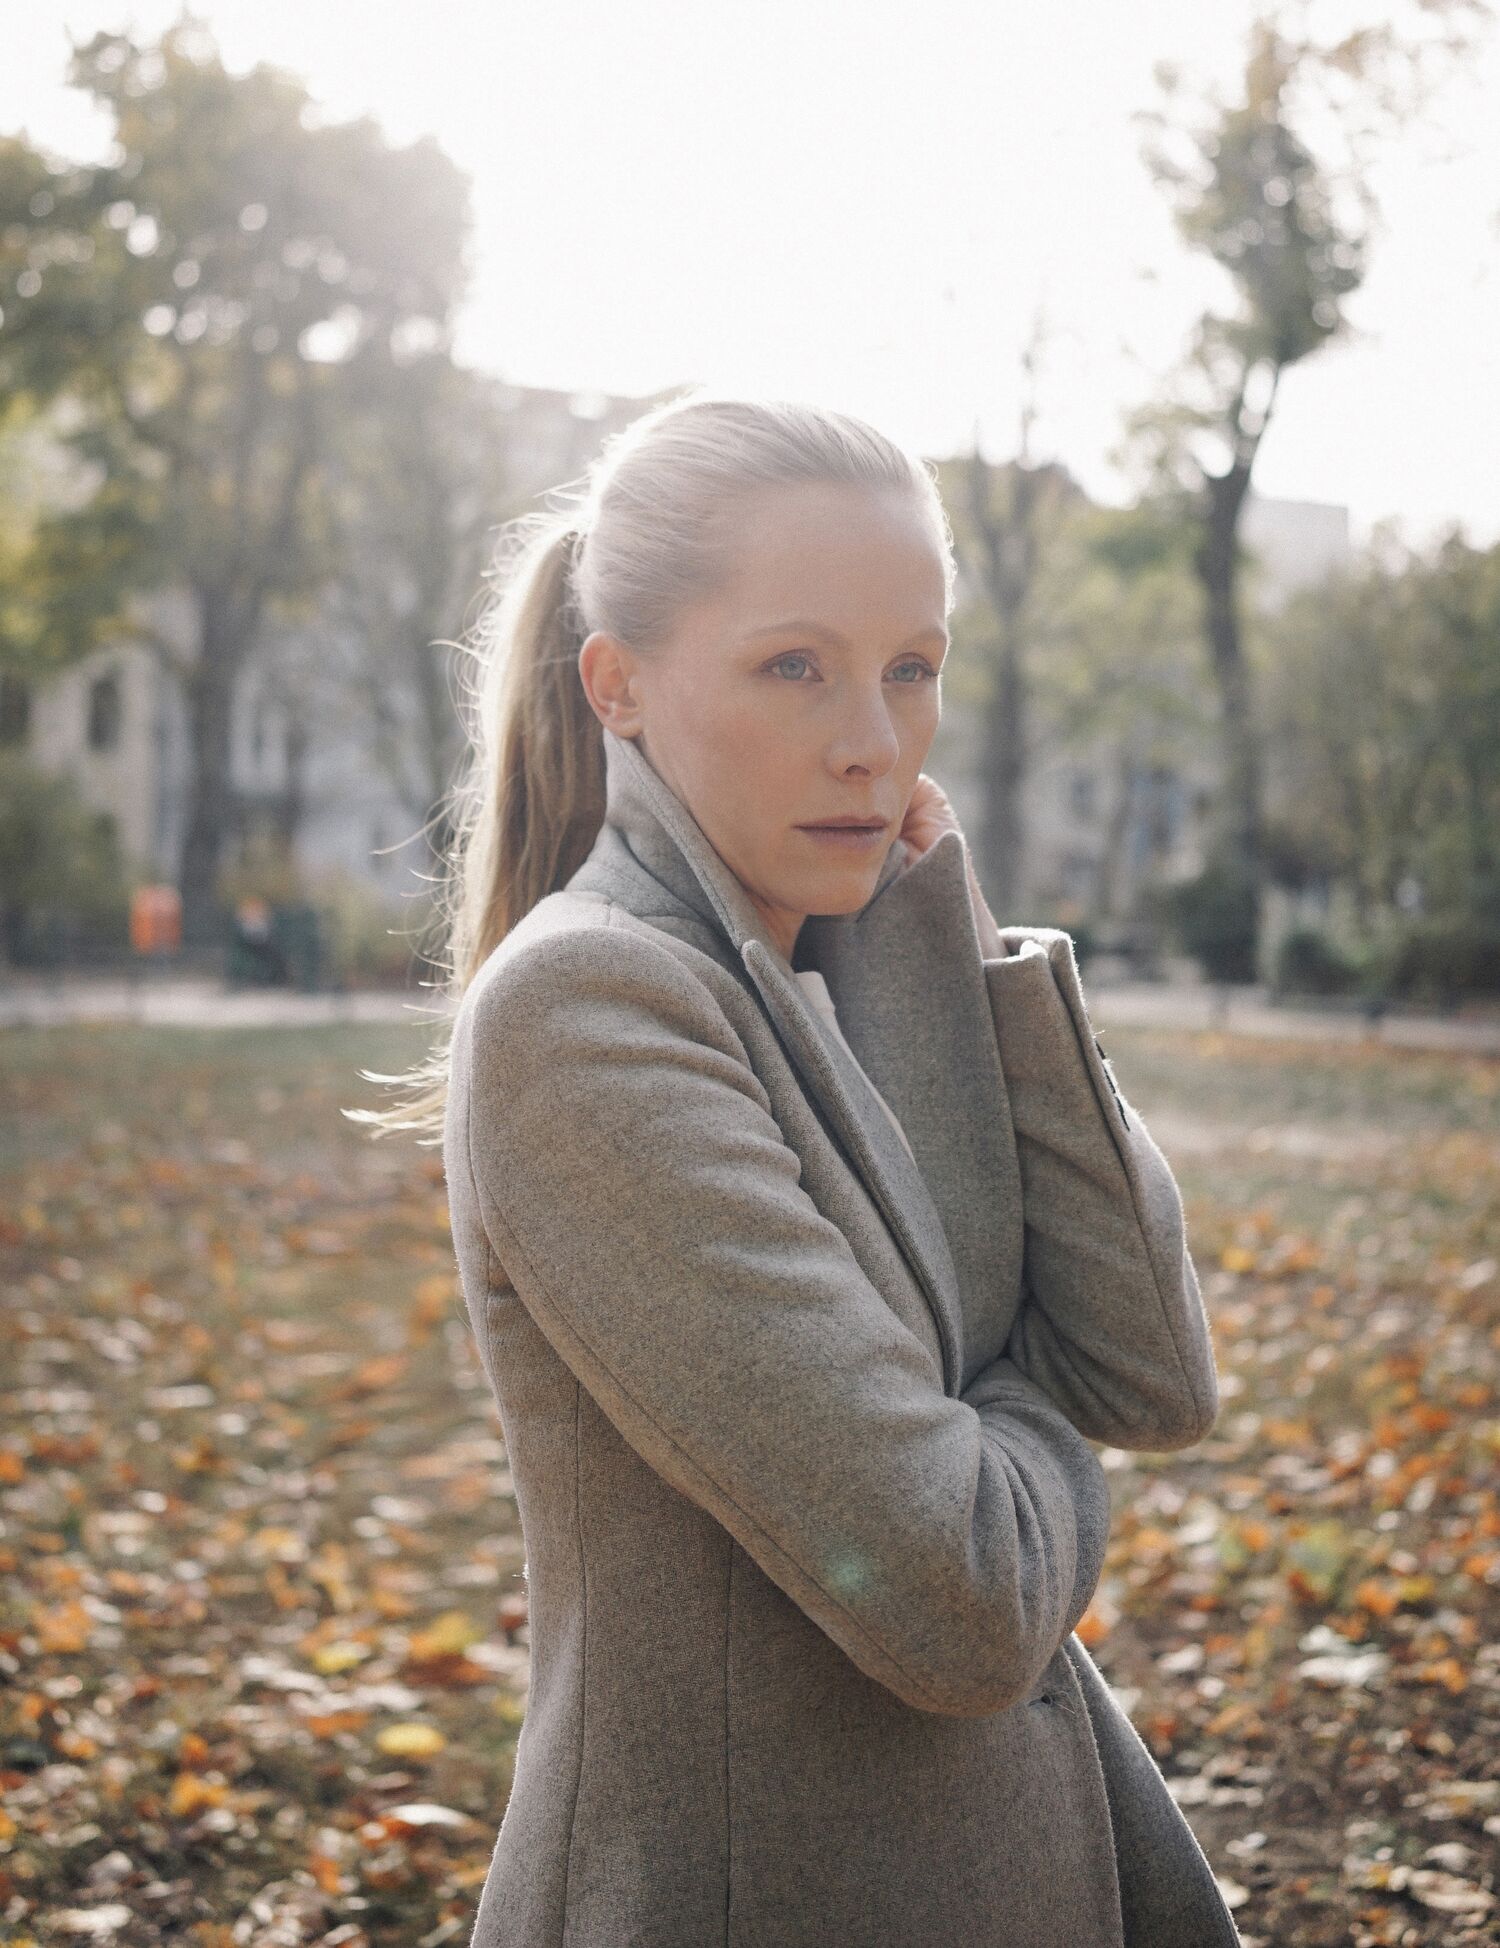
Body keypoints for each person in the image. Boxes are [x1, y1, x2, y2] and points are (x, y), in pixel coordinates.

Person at [358, 389, 1243, 1947]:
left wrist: (965, 957)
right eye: (794, 667)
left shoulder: (843, 973)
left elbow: (1159, 1374)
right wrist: (1017, 1385)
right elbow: (966, 1594)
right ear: (620, 686)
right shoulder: (589, 1010)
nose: (871, 743)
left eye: (912, 669)